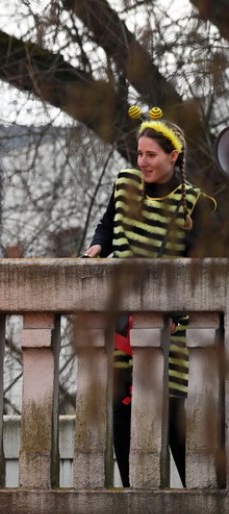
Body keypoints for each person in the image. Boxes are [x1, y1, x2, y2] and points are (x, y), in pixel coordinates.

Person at [83, 106, 217, 487]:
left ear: (173, 157)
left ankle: (202, 501)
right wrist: (97, 246)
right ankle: (132, 496)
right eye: (139, 154)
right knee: (121, 413)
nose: (142, 162)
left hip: (172, 331)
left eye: (151, 155)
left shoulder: (194, 205)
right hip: (123, 324)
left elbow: (198, 270)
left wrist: (175, 312)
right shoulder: (125, 186)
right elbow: (106, 226)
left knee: (175, 416)